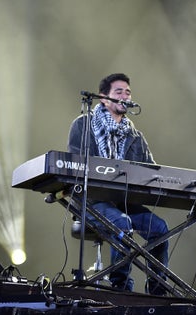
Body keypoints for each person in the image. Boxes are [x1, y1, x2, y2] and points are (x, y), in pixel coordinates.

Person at [68, 73, 170, 296]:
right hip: (93, 201)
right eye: (119, 92)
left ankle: (158, 291)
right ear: (104, 98)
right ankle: (121, 288)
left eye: (128, 92)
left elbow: (150, 170)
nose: (125, 96)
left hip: (124, 202)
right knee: (122, 224)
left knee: (160, 229)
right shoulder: (83, 125)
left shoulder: (135, 135)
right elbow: (74, 167)